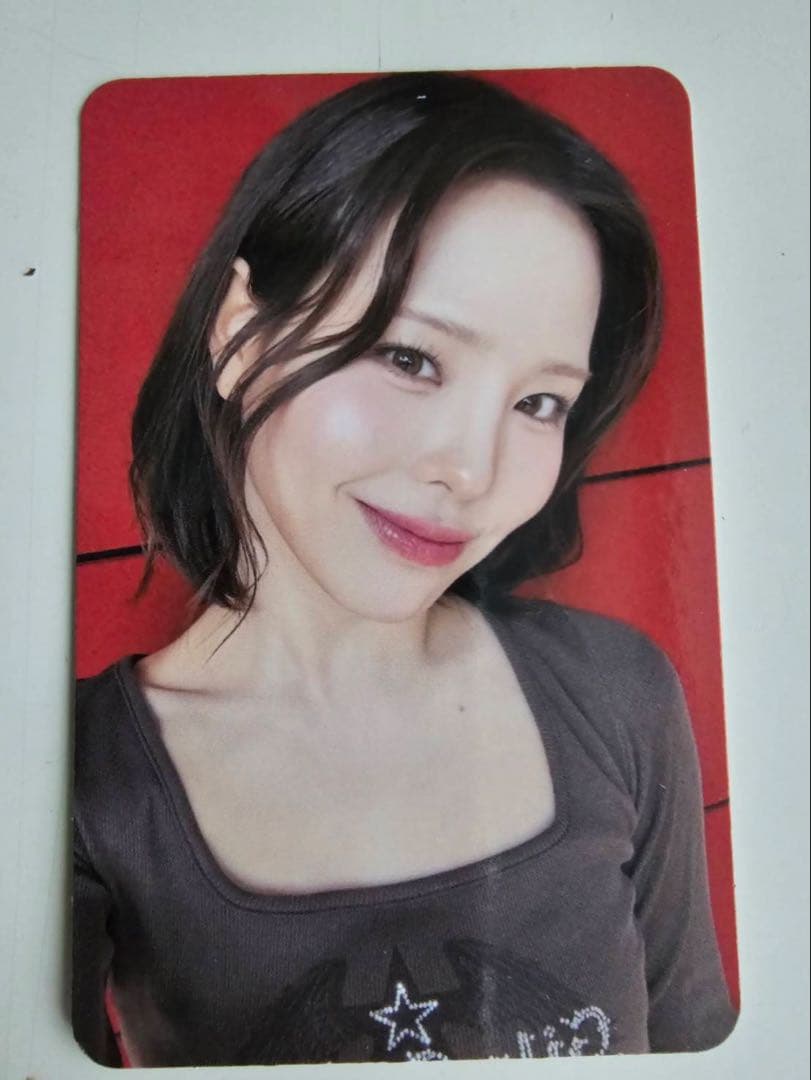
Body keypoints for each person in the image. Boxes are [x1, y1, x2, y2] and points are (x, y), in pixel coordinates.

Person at [73, 71, 737, 1066]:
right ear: (241, 333)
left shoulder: (614, 694)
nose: (471, 473)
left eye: (539, 403)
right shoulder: (78, 783)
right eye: (411, 358)